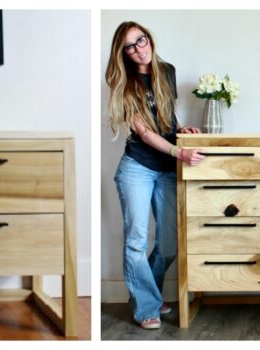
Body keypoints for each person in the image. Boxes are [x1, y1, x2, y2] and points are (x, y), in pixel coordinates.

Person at [105, 21, 205, 330]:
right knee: (136, 240)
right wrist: (180, 153)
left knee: (169, 243)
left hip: (165, 169)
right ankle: (147, 306)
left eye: (141, 40)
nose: (138, 49)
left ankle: (147, 292)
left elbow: (167, 111)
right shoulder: (123, 82)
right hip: (137, 167)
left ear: (149, 38)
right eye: (130, 46)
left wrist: (180, 130)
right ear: (122, 53)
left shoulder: (167, 70)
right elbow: (146, 133)